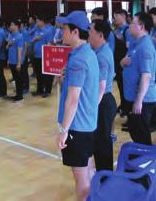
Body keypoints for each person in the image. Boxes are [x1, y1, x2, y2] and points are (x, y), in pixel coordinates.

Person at [55, 11, 98, 201]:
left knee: (82, 180)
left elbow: (73, 99)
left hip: (77, 127)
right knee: (88, 170)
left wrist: (64, 130)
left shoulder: (78, 60)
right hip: (88, 123)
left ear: (74, 32)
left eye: (64, 29)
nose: (61, 33)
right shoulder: (88, 52)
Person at [121, 12, 156, 144]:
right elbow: (129, 62)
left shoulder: (145, 47)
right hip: (133, 96)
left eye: (132, 23)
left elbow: (146, 76)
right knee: (135, 130)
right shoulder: (135, 44)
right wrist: (122, 63)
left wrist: (139, 100)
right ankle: (141, 158)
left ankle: (146, 161)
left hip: (144, 99)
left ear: (141, 27)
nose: (129, 26)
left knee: (141, 134)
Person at [88, 19, 117, 171]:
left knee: (102, 144)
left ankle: (105, 178)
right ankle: (102, 175)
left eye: (91, 31)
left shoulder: (102, 56)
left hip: (103, 102)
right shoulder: (98, 51)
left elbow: (101, 86)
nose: (88, 34)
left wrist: (92, 107)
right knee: (100, 142)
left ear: (100, 35)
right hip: (102, 101)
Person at [112, 9, 131, 118]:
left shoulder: (127, 30)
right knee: (120, 85)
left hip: (124, 64)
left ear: (123, 16)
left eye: (116, 16)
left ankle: (127, 108)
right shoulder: (116, 30)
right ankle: (123, 105)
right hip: (117, 63)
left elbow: (129, 47)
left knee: (125, 86)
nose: (115, 19)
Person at [31, 16, 54, 98]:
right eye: (36, 21)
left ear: (42, 22)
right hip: (36, 55)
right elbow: (32, 41)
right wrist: (35, 40)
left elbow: (50, 43)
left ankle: (47, 91)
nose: (36, 23)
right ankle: (39, 90)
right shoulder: (36, 31)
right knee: (38, 74)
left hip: (44, 56)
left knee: (46, 75)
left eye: (38, 21)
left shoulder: (47, 31)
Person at [7, 19, 25, 102]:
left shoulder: (19, 36)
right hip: (11, 60)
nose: (10, 26)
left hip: (16, 61)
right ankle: (17, 94)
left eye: (11, 25)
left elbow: (20, 50)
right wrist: (9, 44)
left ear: (16, 26)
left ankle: (20, 96)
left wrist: (19, 63)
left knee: (18, 79)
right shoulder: (11, 35)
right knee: (15, 78)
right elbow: (7, 47)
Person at [20, 20, 30, 94]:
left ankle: (26, 87)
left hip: (24, 55)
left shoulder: (24, 32)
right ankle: (21, 86)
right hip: (19, 55)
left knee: (24, 72)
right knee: (20, 72)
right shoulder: (19, 32)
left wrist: (23, 57)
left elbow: (26, 45)